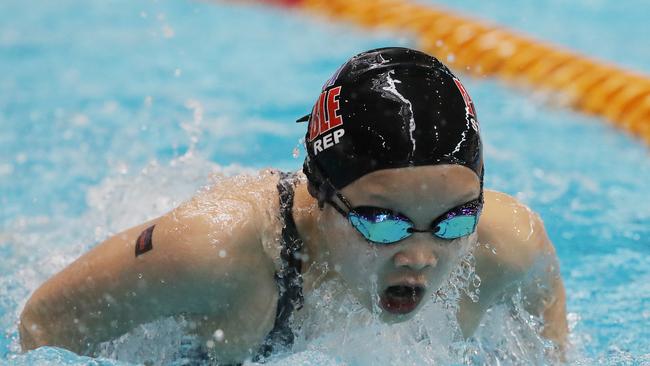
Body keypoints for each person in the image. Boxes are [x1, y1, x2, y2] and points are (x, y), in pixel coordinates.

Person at [18, 47, 567, 364]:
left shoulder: (508, 245)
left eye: (454, 221)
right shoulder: (218, 254)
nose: (420, 255)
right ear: (322, 194)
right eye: (382, 224)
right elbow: (44, 326)